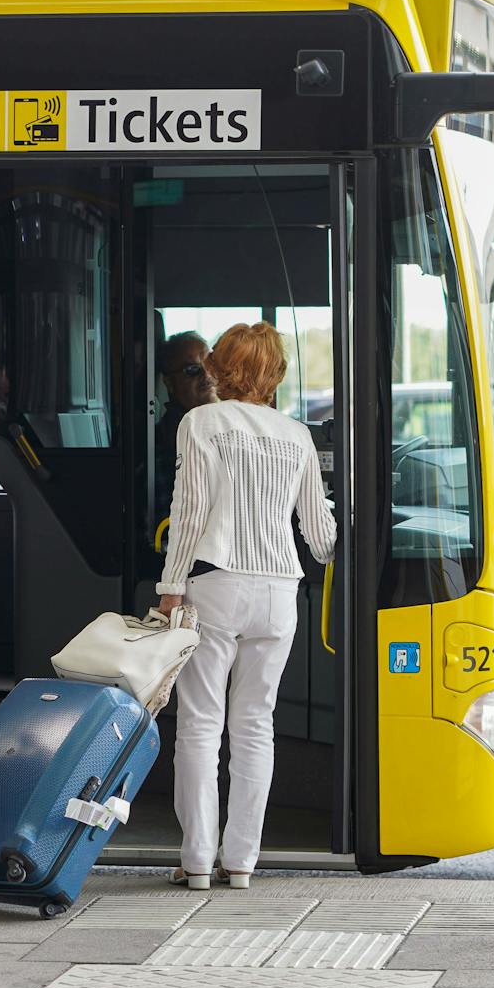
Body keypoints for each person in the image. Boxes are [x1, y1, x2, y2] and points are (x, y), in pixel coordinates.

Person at [155, 321, 335, 891]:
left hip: (218, 585)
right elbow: (321, 534)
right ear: (274, 374)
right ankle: (241, 862)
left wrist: (170, 586)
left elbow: (188, 513)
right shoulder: (297, 435)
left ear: (220, 367)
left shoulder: (201, 422)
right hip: (281, 592)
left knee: (201, 726)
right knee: (257, 725)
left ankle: (197, 859)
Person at [153, 330, 219, 521]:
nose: (207, 375)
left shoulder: (222, 428)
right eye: (192, 370)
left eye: (210, 364)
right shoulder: (168, 443)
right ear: (169, 384)